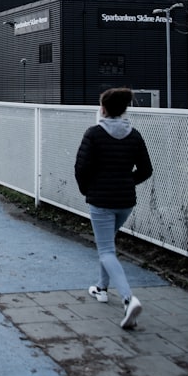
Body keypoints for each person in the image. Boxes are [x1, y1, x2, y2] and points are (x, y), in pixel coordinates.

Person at [74, 87, 153, 329]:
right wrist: (128, 181)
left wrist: (88, 190)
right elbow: (146, 170)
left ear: (104, 109)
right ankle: (101, 288)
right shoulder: (134, 135)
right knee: (107, 245)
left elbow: (81, 168)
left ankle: (129, 300)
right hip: (125, 202)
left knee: (106, 250)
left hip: (101, 201)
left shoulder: (94, 134)